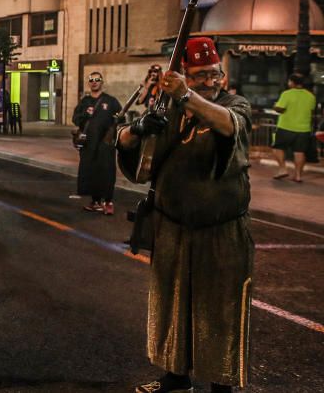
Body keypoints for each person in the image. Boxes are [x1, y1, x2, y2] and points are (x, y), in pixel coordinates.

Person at [116, 37, 253, 393]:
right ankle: (176, 378)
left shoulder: (233, 104)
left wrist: (187, 96)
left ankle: (221, 384)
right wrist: (137, 130)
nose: (209, 81)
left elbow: (229, 125)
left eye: (214, 75)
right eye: (199, 76)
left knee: (219, 310)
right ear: (184, 76)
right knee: (171, 305)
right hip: (172, 227)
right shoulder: (168, 111)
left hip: (221, 231)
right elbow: (129, 147)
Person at [72, 71, 122, 215]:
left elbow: (121, 117)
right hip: (88, 144)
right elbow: (75, 119)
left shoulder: (110, 101)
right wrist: (85, 114)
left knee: (106, 172)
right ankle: (95, 202)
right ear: (89, 83)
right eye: (91, 80)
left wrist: (117, 121)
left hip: (105, 145)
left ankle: (108, 202)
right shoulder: (84, 102)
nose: (94, 82)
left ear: (102, 82)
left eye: (97, 79)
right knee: (91, 172)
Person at [271, 73, 316, 183]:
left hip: (285, 127)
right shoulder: (311, 96)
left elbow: (280, 109)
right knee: (299, 152)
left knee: (278, 148)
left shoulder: (287, 94)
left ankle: (282, 169)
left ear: (292, 82)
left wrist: (275, 106)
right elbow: (312, 111)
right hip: (303, 129)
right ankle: (298, 175)